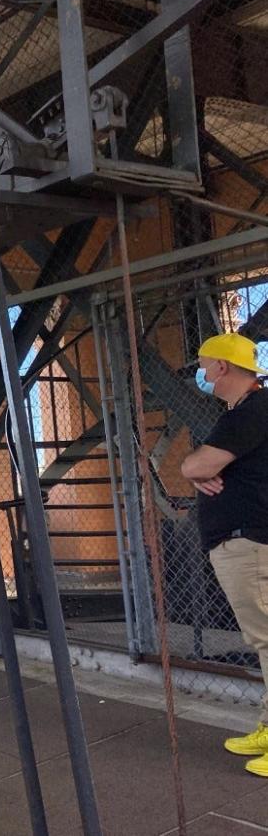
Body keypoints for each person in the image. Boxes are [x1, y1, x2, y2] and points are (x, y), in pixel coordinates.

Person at [179, 332, 268, 776]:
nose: (201, 373)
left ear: (222, 368)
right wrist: (199, 472)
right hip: (245, 539)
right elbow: (205, 468)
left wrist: (193, 470)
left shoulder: (251, 411)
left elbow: (197, 465)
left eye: (204, 364)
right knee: (264, 640)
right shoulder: (246, 412)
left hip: (248, 542)